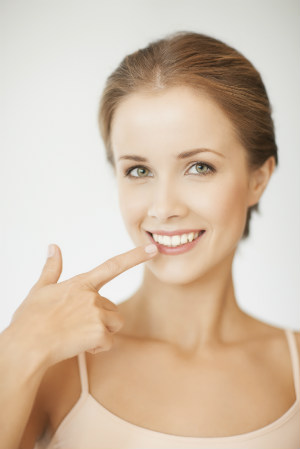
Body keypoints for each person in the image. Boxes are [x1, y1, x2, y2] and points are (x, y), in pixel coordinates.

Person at [0, 31, 299, 449]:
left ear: (258, 178)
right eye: (139, 171)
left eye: (198, 167)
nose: (163, 207)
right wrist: (16, 351)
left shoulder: (295, 369)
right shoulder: (55, 364)